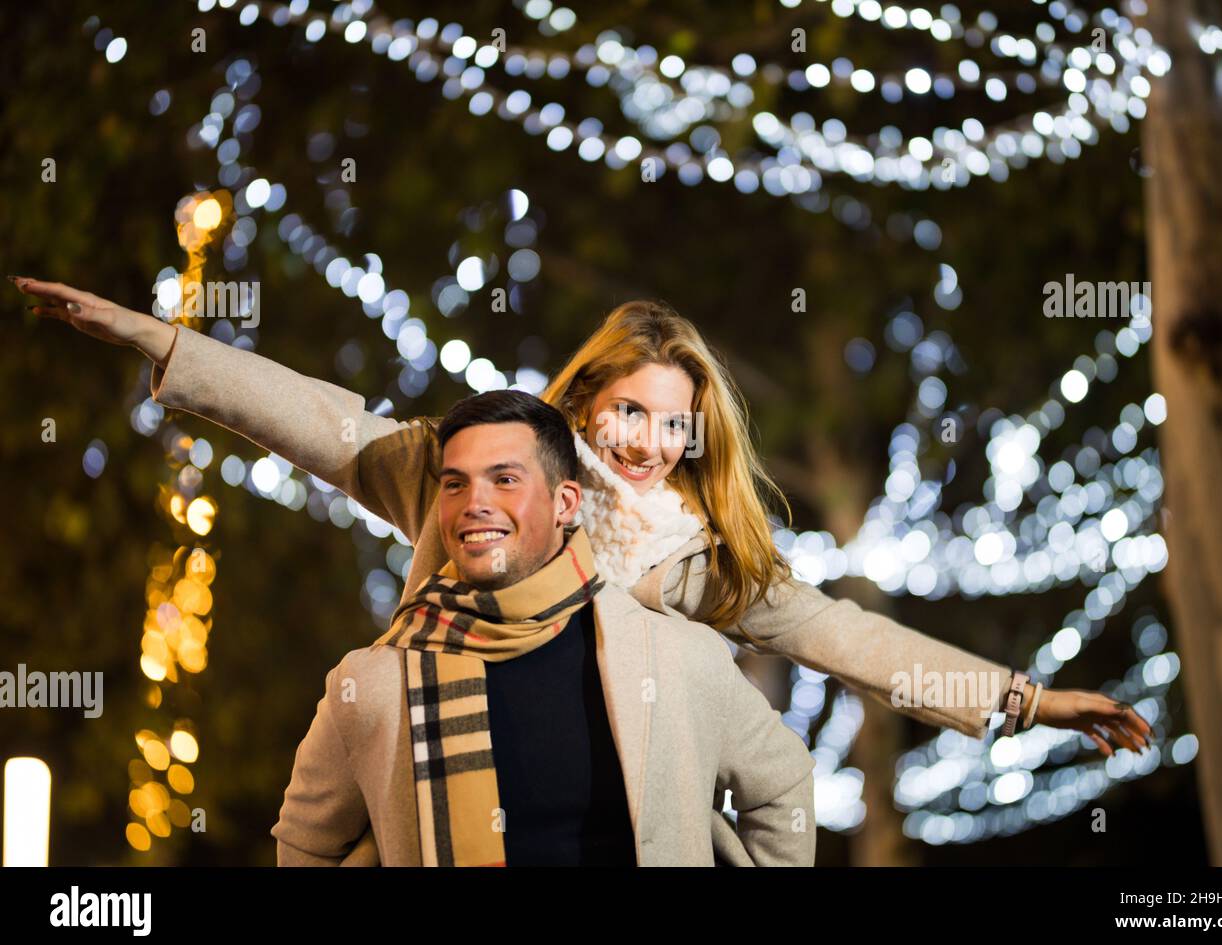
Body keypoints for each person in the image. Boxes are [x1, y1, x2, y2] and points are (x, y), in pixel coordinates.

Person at [11, 277, 1153, 755]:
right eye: (630, 412)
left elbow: (851, 639)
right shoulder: (471, 476)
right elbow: (326, 424)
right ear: (583, 398)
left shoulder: (697, 560)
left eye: (674, 425)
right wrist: (162, 342)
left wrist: (1026, 698)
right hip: (446, 786)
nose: (651, 444)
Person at [271, 389, 815, 865]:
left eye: (504, 479)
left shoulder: (677, 657)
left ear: (565, 503)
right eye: (455, 485)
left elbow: (783, 784)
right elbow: (306, 846)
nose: (475, 504)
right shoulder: (372, 686)